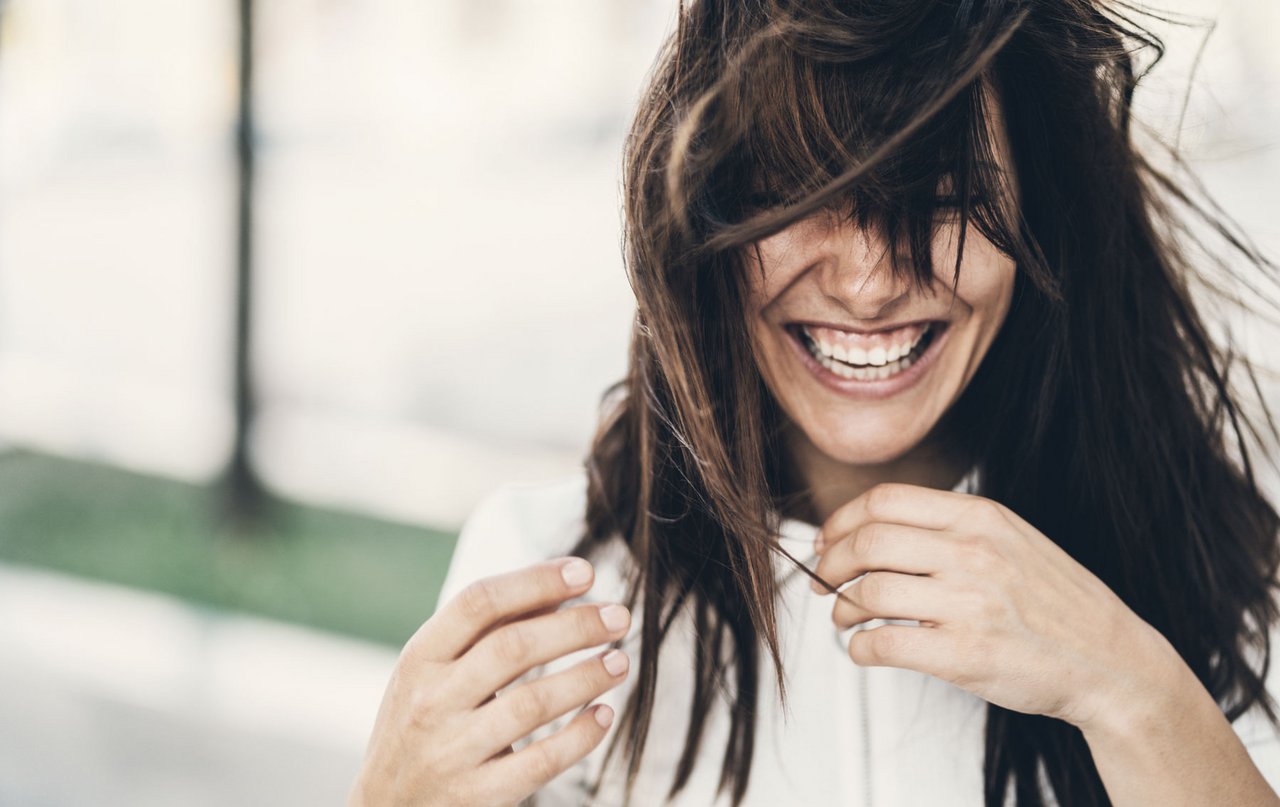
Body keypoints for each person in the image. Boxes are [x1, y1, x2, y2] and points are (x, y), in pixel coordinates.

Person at [349, 0, 1280, 804]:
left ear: (1040, 207)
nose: (870, 281)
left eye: (946, 196)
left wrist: (1128, 687)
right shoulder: (547, 582)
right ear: (703, 203)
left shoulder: (1210, 553)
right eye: (803, 191)